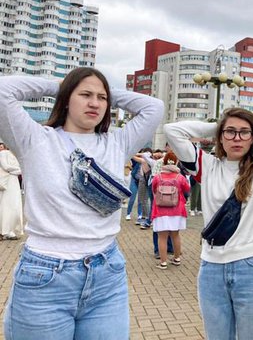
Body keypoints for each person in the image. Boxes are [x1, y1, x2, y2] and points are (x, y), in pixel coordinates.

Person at [0, 67, 164, 340]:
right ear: (66, 99)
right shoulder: (35, 139)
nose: (95, 103)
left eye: (102, 97)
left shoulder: (117, 142)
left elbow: (154, 107)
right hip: (45, 275)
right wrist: (60, 86)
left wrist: (107, 92)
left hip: (107, 272)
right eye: (85, 94)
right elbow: (3, 91)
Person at [164, 109, 253, 340]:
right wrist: (219, 127)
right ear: (220, 137)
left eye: (244, 133)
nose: (237, 138)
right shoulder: (207, 166)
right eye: (230, 132)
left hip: (252, 266)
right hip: (211, 268)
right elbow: (172, 130)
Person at [151, 151, 190, 270]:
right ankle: (177, 258)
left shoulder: (158, 177)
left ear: (164, 162)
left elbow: (153, 190)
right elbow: (187, 190)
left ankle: (163, 262)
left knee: (162, 237)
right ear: (176, 162)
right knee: (175, 235)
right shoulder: (180, 177)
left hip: (161, 211)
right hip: (177, 210)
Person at [0, 143, 23, 240]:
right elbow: (6, 166)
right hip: (8, 182)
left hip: (14, 181)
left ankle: (10, 230)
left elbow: (20, 170)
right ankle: (5, 230)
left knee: (15, 206)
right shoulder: (3, 153)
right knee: (7, 206)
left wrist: (14, 170)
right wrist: (16, 170)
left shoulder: (15, 154)